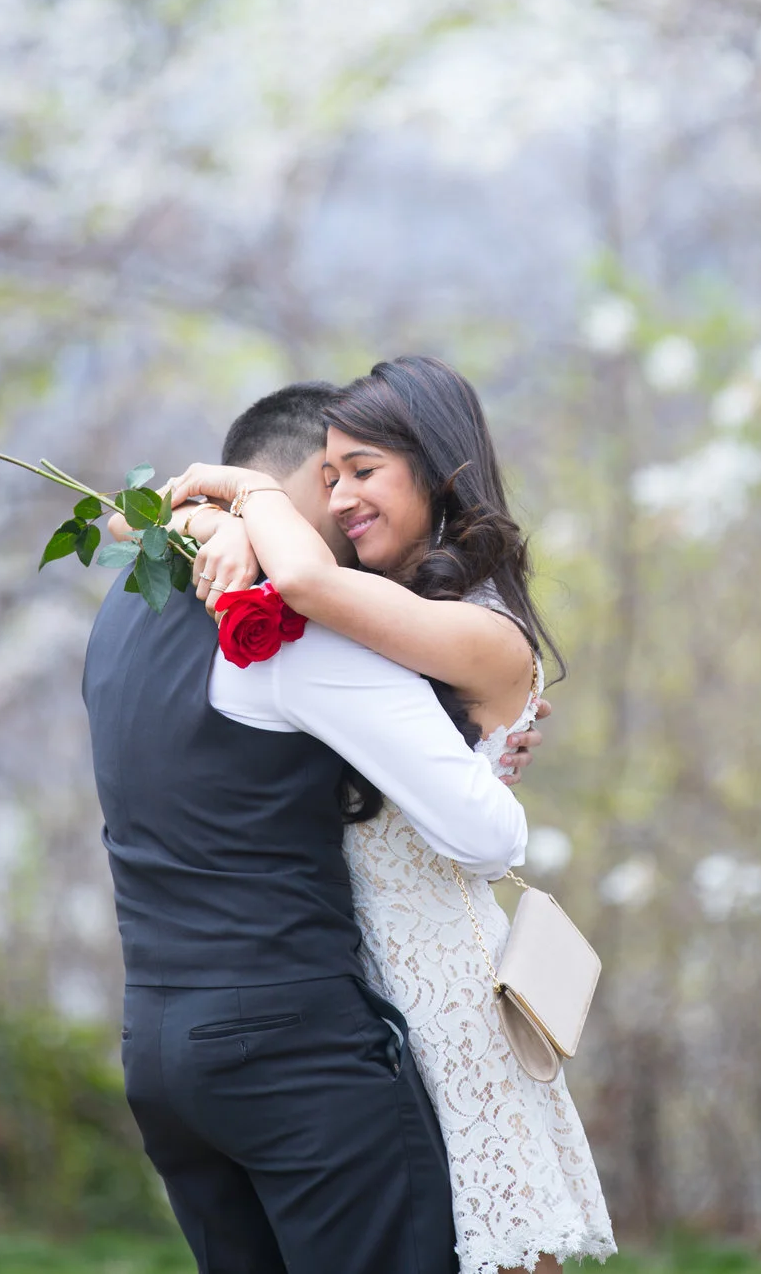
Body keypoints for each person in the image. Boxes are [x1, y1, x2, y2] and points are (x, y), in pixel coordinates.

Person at [166, 356, 617, 1274]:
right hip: (363, 988)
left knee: (508, 1256)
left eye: (362, 471)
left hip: (447, 994)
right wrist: (226, 514)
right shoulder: (399, 609)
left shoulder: (479, 626)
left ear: (438, 469)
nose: (337, 499)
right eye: (327, 477)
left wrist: (247, 495)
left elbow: (303, 584)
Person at [82, 380, 529, 1274]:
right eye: (333, 478)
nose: (346, 510)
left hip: (162, 1051)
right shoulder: (284, 634)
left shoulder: (122, 614)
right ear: (288, 489)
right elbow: (487, 836)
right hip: (296, 1055)